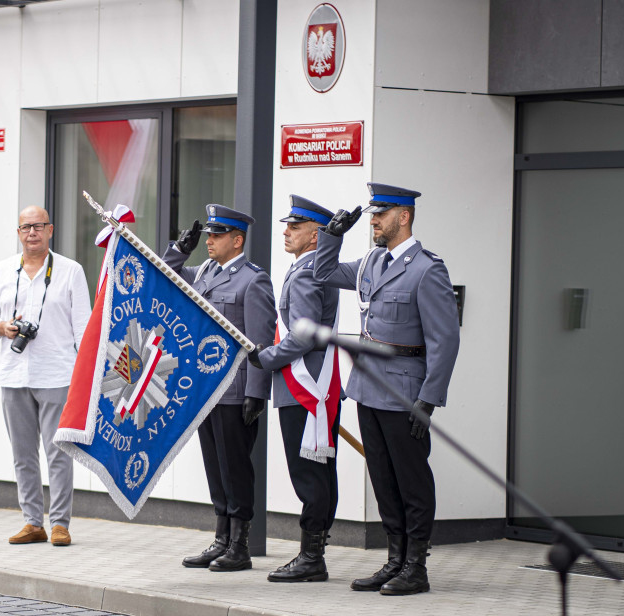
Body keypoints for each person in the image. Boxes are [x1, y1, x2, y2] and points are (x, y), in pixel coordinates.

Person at [313, 183, 460, 595]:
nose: (373, 220)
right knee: (382, 477)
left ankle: (416, 565)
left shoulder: (427, 269)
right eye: (373, 213)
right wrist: (331, 236)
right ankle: (394, 559)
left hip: (405, 392)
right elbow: (323, 273)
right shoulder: (371, 262)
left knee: (411, 479)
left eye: (381, 213)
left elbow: (444, 340)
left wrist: (429, 399)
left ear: (404, 217)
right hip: (368, 387)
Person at [163, 204, 275, 572]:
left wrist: (256, 392)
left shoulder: (253, 280)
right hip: (205, 389)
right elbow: (166, 275)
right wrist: (181, 249)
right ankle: (221, 538)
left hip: (235, 389)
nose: (209, 241)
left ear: (237, 239)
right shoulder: (205, 272)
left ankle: (240, 545)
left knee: (235, 467)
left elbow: (260, 342)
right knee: (215, 466)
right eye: (208, 235)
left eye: (216, 235)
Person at [0, 206, 91, 547]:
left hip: (57, 374)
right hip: (13, 375)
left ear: (50, 230)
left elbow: (83, 327)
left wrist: (86, 379)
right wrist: (1, 327)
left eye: (38, 226)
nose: (32, 233)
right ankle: (31, 522)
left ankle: (59, 524)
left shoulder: (70, 271)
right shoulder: (1, 272)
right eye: (25, 227)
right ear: (18, 232)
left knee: (58, 453)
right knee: (22, 454)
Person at [247, 195, 342, 583]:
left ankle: (311, 557)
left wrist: (264, 357)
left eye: (295, 227)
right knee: (318, 473)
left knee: (309, 475)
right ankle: (313, 553)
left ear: (316, 236)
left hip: (303, 386)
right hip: (310, 384)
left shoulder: (305, 274)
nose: (285, 231)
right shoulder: (307, 269)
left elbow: (301, 337)